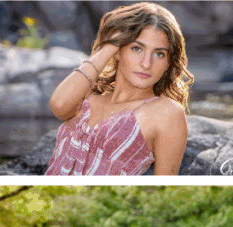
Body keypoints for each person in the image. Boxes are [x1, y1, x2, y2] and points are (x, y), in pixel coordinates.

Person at [45, 2, 193, 175]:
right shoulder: (88, 95)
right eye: (137, 48)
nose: (146, 63)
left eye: (159, 54)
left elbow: (165, 186)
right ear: (118, 50)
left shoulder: (167, 113)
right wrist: (109, 46)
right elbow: (59, 105)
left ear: (168, 62)